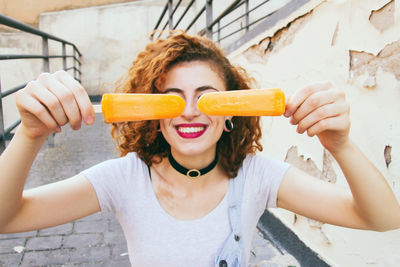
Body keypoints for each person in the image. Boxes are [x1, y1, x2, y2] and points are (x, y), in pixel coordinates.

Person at [0, 32, 399, 267]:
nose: (189, 111)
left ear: (231, 113)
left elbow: (382, 218)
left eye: (207, 98)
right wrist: (30, 135)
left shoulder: (256, 175)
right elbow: (7, 218)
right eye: (172, 99)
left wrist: (340, 145)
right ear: (153, 115)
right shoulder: (123, 179)